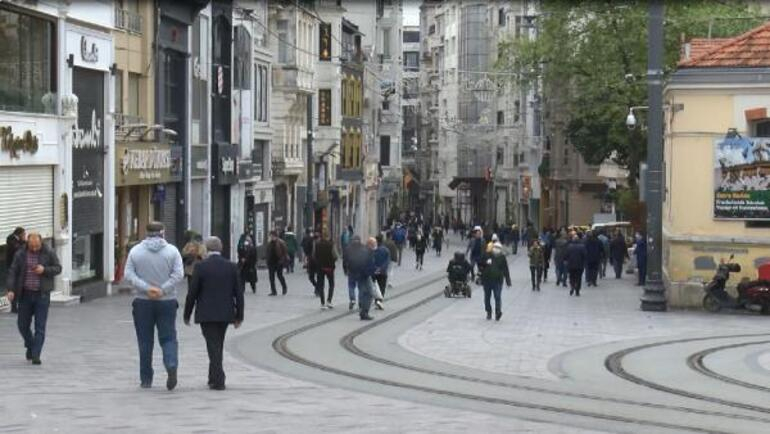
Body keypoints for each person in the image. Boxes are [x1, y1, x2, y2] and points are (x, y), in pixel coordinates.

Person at [123, 222, 184, 390]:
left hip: (143, 302)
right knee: (168, 337)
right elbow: (179, 274)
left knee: (145, 341)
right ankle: (171, 363)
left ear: (146, 233)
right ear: (162, 233)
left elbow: (128, 274)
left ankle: (146, 378)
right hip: (167, 301)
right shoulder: (172, 251)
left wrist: (146, 288)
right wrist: (163, 289)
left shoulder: (136, 251)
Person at [183, 237, 244, 391]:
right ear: (221, 248)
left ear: (207, 249)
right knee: (218, 344)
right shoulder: (231, 266)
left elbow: (192, 293)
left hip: (206, 313)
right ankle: (213, 377)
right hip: (225, 313)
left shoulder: (201, 267)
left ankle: (219, 379)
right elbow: (239, 293)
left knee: (213, 345)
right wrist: (239, 316)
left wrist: (187, 313)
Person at [6, 232, 61, 365]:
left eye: (37, 246)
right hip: (25, 294)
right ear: (28, 243)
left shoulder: (49, 252)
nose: (35, 248)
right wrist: (11, 289)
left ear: (41, 243)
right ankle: (31, 345)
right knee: (22, 325)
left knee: (40, 327)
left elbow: (58, 268)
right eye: (32, 246)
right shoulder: (21, 254)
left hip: (41, 295)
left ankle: (36, 355)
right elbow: (13, 272)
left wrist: (44, 270)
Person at [344, 236, 376, 320]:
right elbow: (366, 263)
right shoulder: (365, 250)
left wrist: (346, 269)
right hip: (364, 275)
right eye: (373, 244)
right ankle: (363, 311)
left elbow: (345, 259)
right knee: (368, 293)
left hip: (355, 273)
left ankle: (357, 303)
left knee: (355, 288)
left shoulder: (350, 248)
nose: (374, 246)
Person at [480, 241, 511, 321]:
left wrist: (508, 281)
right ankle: (488, 311)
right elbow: (480, 264)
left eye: (499, 248)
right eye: (495, 248)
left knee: (497, 296)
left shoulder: (502, 257)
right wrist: (485, 263)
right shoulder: (487, 255)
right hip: (487, 280)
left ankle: (498, 312)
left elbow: (505, 269)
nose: (497, 249)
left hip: (498, 280)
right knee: (487, 297)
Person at [313, 231, 337, 309]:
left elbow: (314, 255)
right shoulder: (331, 245)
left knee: (321, 285)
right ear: (328, 237)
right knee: (331, 284)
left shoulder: (317, 245)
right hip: (329, 267)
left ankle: (322, 303)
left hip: (320, 267)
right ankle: (329, 301)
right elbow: (335, 256)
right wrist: (332, 261)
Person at [5, 226, 26, 313]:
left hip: (18, 266)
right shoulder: (11, 239)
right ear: (20, 234)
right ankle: (14, 306)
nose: (25, 235)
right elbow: (16, 248)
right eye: (24, 234)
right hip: (12, 266)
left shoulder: (19, 241)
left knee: (18, 286)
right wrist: (23, 242)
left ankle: (17, 305)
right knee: (13, 286)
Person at [266, 230, 289, 296]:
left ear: (275, 236)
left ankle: (284, 287)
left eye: (272, 236)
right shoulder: (269, 243)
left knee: (279, 276)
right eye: (270, 236)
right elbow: (268, 252)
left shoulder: (281, 242)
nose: (271, 237)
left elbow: (285, 252)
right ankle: (273, 291)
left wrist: (282, 261)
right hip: (271, 262)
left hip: (278, 262)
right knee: (271, 277)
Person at [373, 235, 391, 310]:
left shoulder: (373, 250)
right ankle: (379, 301)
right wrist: (381, 269)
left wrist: (375, 269)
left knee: (375, 287)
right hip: (383, 272)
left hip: (374, 272)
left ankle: (376, 300)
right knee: (382, 287)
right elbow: (387, 262)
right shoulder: (386, 250)